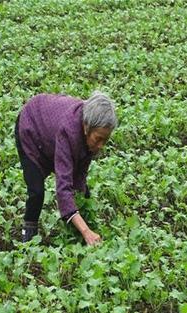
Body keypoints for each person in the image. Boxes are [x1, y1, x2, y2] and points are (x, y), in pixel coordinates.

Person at [15, 91, 117, 245]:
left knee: (80, 187)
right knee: (36, 191)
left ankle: (77, 223)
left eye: (106, 140)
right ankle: (28, 238)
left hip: (50, 133)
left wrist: (82, 194)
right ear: (86, 127)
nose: (101, 146)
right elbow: (63, 188)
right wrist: (86, 231)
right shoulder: (68, 131)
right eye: (98, 139)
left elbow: (80, 173)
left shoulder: (90, 131)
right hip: (30, 126)